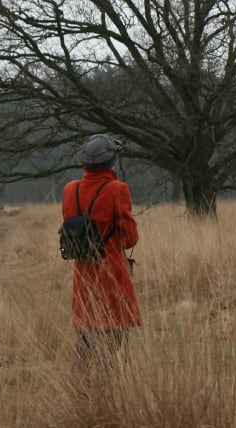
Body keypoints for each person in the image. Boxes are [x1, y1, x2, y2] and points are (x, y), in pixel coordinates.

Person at [62, 133, 140, 369]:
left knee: (86, 340)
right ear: (111, 161)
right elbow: (129, 238)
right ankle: (105, 395)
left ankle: (82, 394)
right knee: (112, 340)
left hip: (83, 274)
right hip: (112, 274)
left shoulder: (70, 189)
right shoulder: (117, 189)